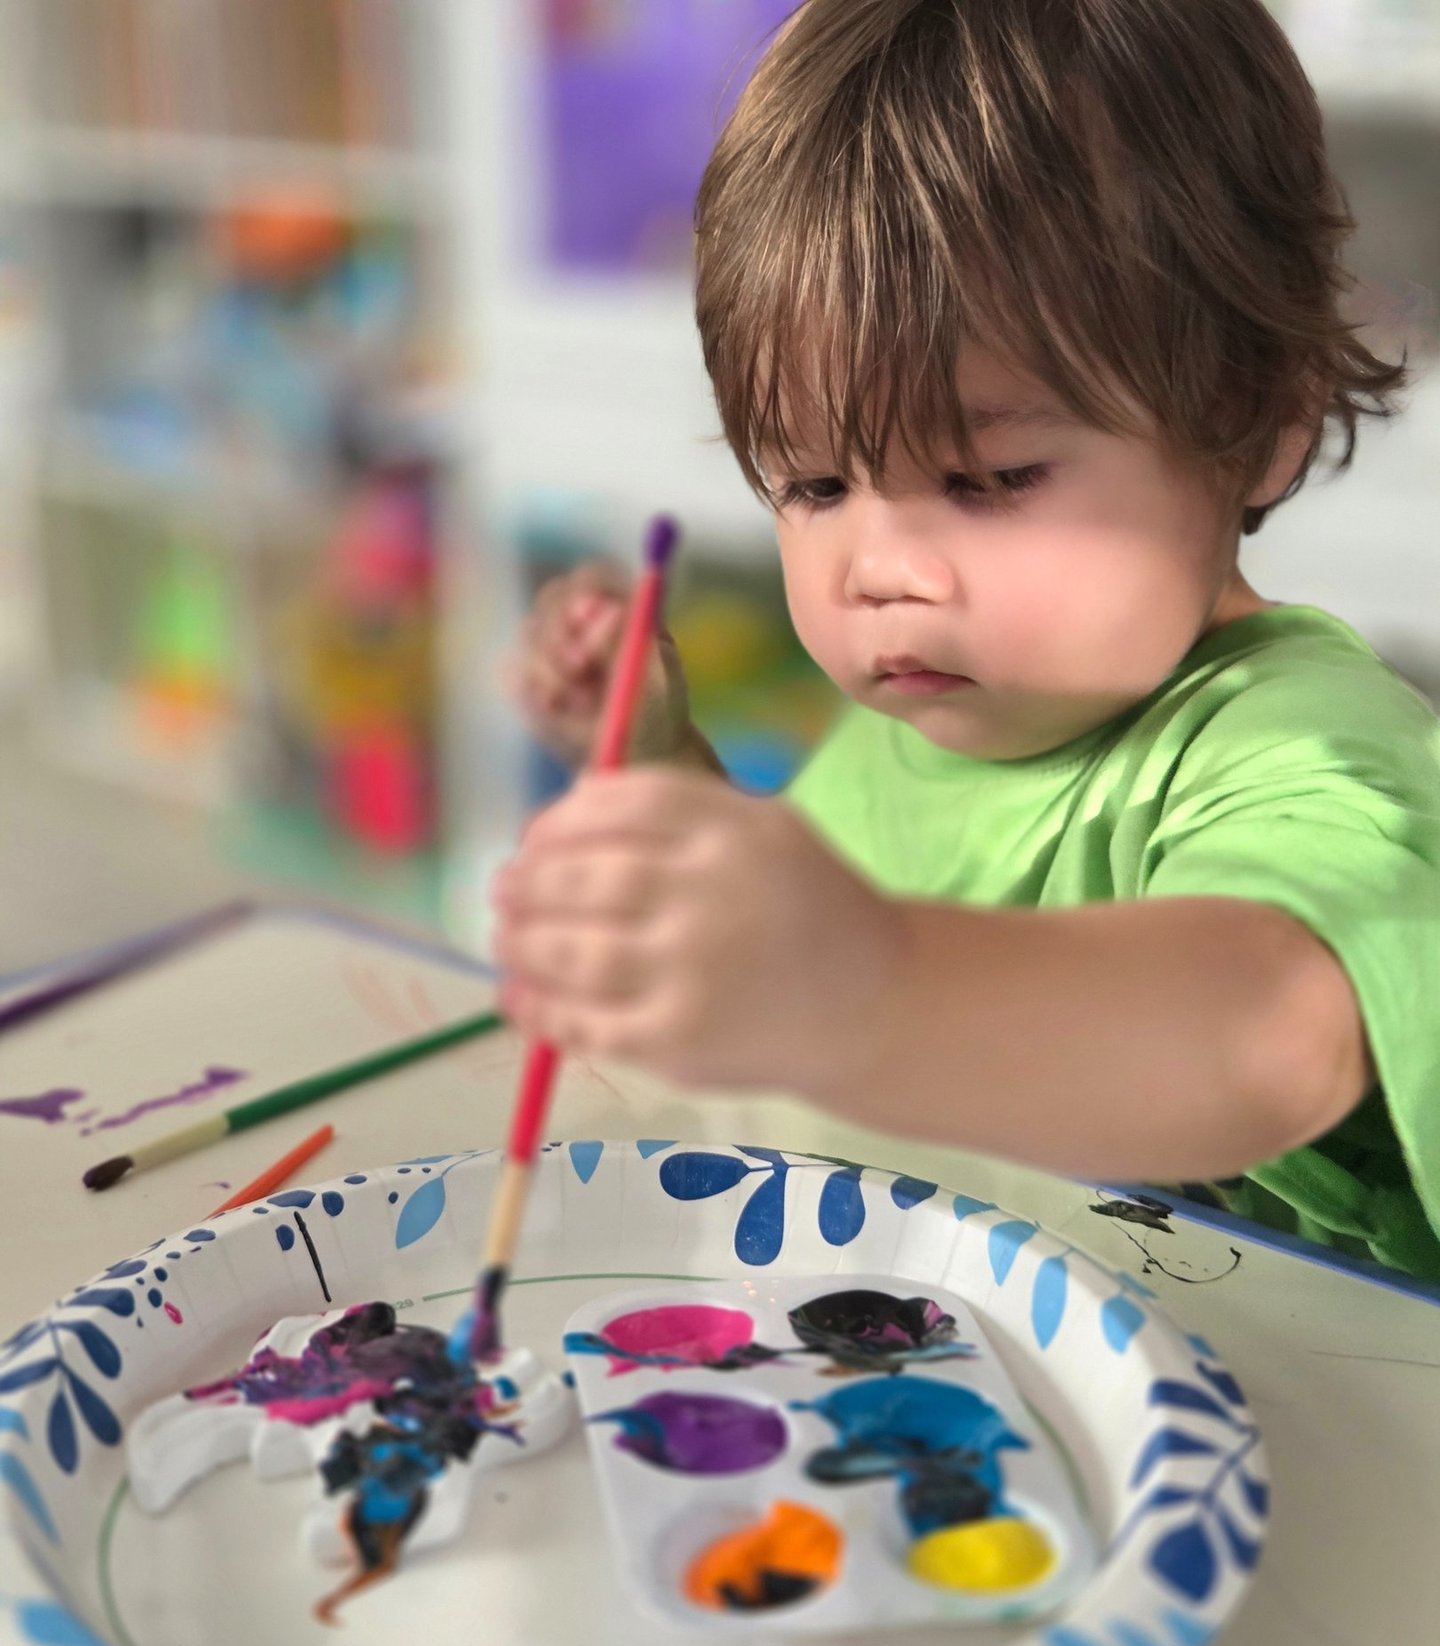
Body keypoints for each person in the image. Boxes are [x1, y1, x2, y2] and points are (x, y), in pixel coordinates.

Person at [493, 0, 1440, 1281]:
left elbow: (1271, 1034)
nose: (880, 569)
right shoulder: (930, 726)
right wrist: (663, 773)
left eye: (989, 479)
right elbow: (816, 935)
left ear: (1260, 422)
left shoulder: (1309, 748)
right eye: (815, 485)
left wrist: (867, 988)